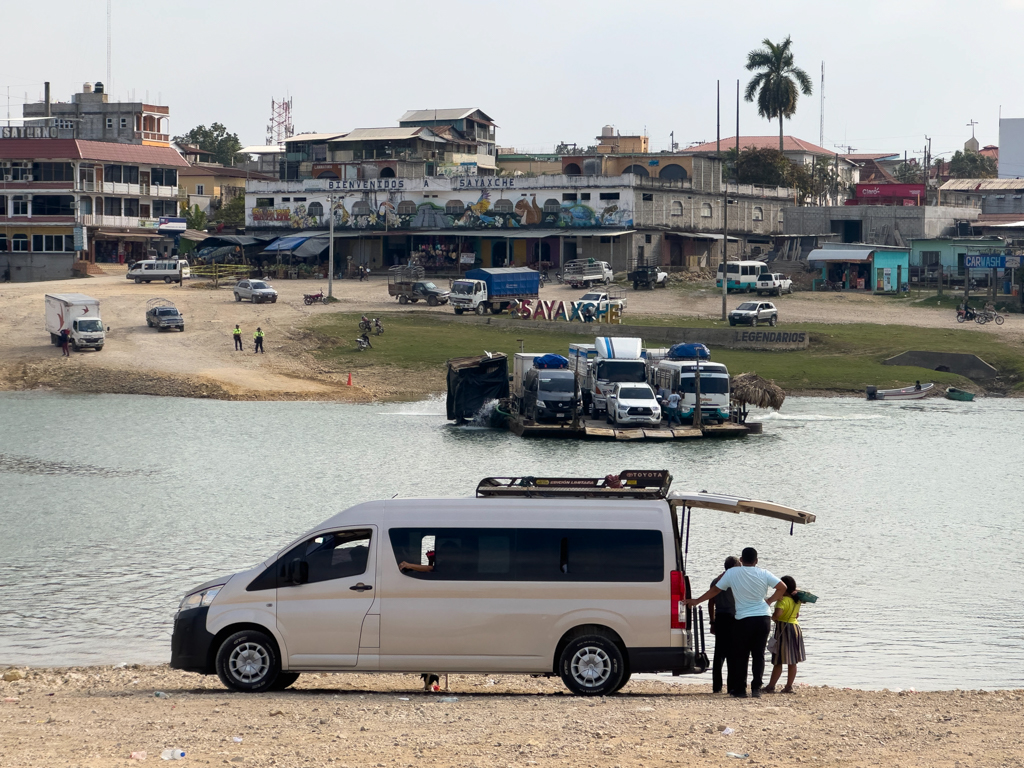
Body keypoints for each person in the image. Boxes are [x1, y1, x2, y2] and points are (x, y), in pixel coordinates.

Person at [687, 547, 786, 698]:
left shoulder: (732, 572)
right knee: (758, 654)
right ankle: (756, 689)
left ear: (741, 560)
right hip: (763, 618)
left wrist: (696, 601)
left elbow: (715, 591)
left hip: (743, 619)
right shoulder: (764, 573)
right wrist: (769, 601)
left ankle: (740, 689)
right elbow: (782, 587)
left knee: (741, 654)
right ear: (756, 561)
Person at [764, 576, 807, 694]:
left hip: (784, 628)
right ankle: (788, 686)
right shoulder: (796, 600)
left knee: (778, 659)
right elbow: (797, 615)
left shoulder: (782, 601)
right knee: (792, 660)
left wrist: (772, 618)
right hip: (795, 628)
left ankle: (771, 686)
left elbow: (777, 615)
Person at [709, 556, 740, 694]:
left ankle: (717, 686)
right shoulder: (735, 581)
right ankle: (732, 686)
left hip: (720, 617)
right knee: (733, 652)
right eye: (738, 565)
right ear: (733, 566)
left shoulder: (716, 581)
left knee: (719, 653)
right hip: (733, 617)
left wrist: (712, 621)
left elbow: (711, 602)